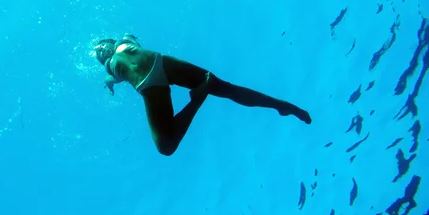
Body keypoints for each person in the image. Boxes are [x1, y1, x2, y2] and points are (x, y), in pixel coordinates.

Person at [94, 34, 312, 156]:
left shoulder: (117, 53)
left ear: (111, 42)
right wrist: (109, 85)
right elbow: (110, 77)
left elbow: (113, 69)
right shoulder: (112, 63)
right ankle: (281, 106)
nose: (101, 50)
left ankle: (280, 105)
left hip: (153, 75)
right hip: (156, 72)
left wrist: (110, 82)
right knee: (167, 146)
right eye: (99, 53)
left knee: (166, 146)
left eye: (102, 45)